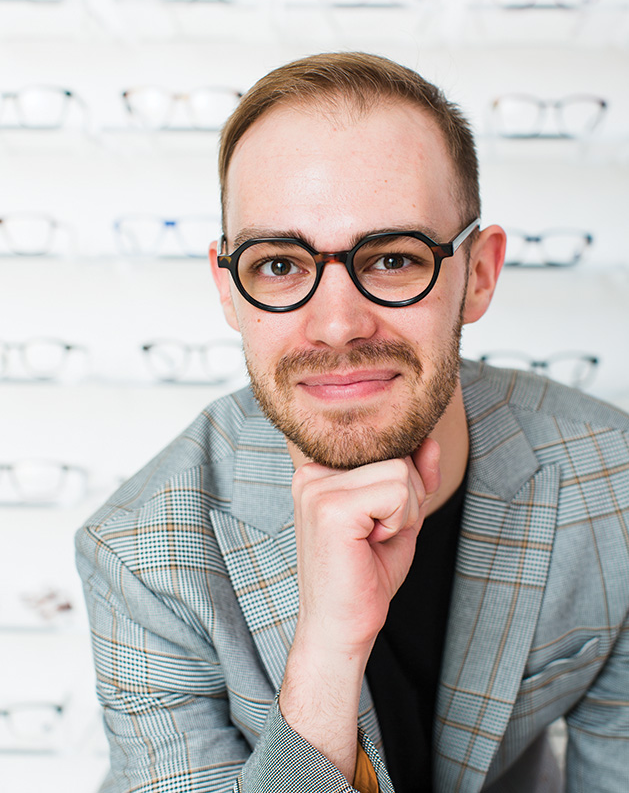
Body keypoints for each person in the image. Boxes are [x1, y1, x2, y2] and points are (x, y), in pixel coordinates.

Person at [76, 52, 629, 793]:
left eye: (394, 258)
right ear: (228, 290)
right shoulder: (141, 556)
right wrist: (327, 653)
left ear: (480, 275)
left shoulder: (612, 482)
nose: (336, 326)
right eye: (278, 265)